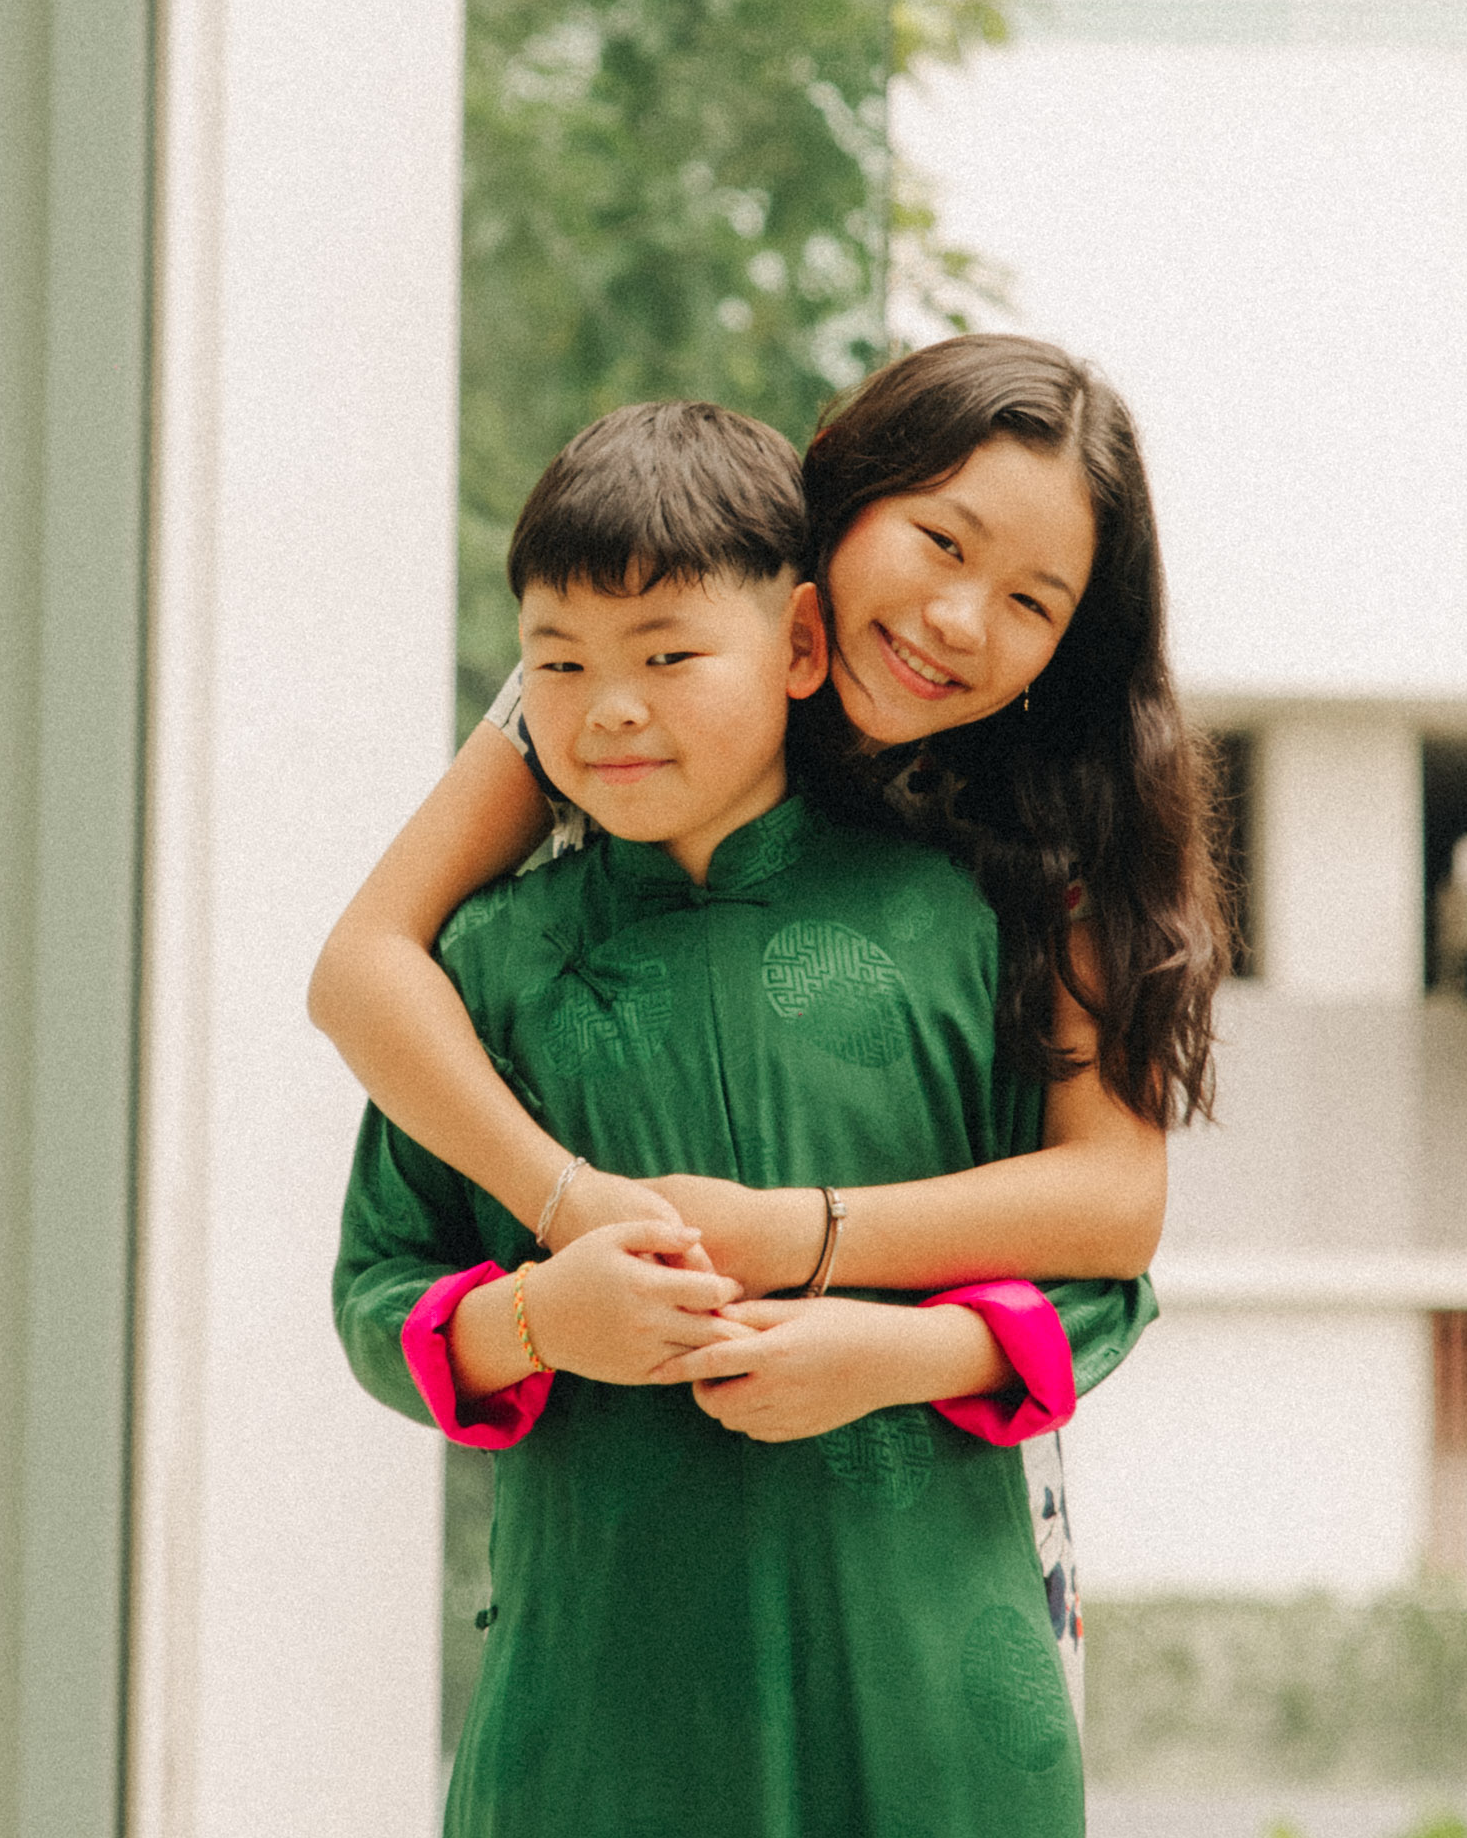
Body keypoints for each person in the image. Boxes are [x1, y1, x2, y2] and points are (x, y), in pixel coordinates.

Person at [334, 401, 1152, 1838]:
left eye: (1023, 594)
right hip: (600, 1727)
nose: (609, 705)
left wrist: (891, 1347)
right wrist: (546, 1313)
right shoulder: (493, 961)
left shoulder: (988, 919)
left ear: (779, 647)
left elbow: (1105, 1262)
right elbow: (381, 1292)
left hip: (926, 1707)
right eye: (560, 661)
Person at [310, 334, 1229, 1686]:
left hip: (927, 1582)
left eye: (1032, 603)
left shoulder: (1048, 816)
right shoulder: (633, 669)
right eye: (938, 542)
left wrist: (796, 1247)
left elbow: (1110, 1205)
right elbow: (363, 967)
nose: (959, 620)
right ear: (841, 508)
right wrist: (567, 1208)